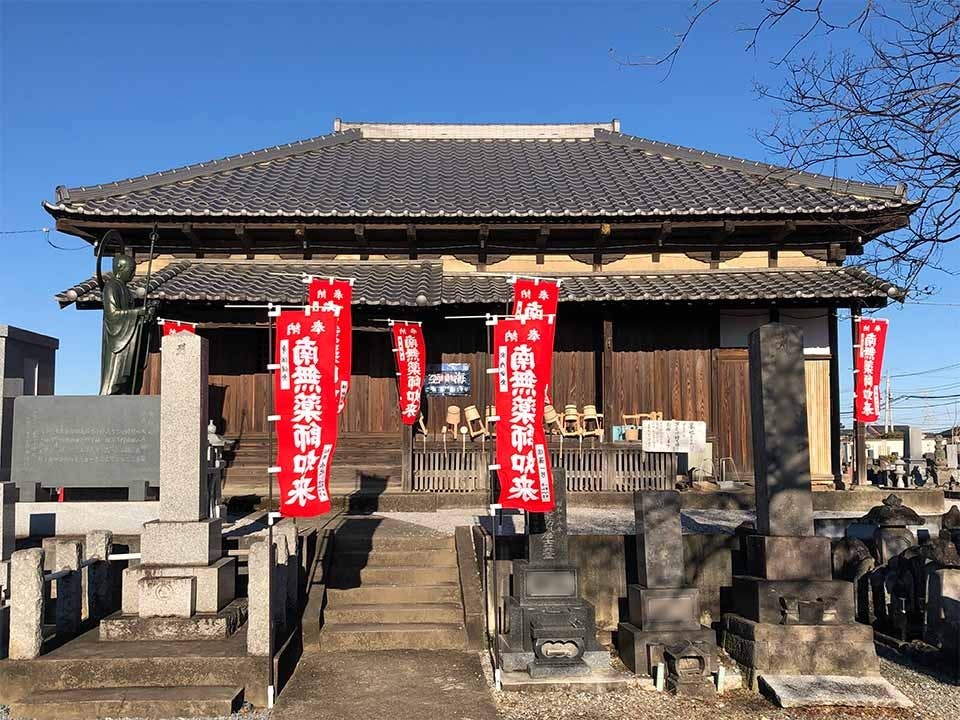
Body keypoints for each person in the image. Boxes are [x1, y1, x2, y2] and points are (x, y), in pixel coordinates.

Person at [99, 254, 155, 395]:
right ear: (120, 267)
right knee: (114, 375)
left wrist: (145, 316)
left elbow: (132, 315)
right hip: (117, 338)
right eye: (131, 270)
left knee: (128, 377)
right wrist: (137, 312)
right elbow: (112, 315)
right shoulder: (111, 287)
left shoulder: (126, 290)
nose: (133, 273)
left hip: (128, 336)